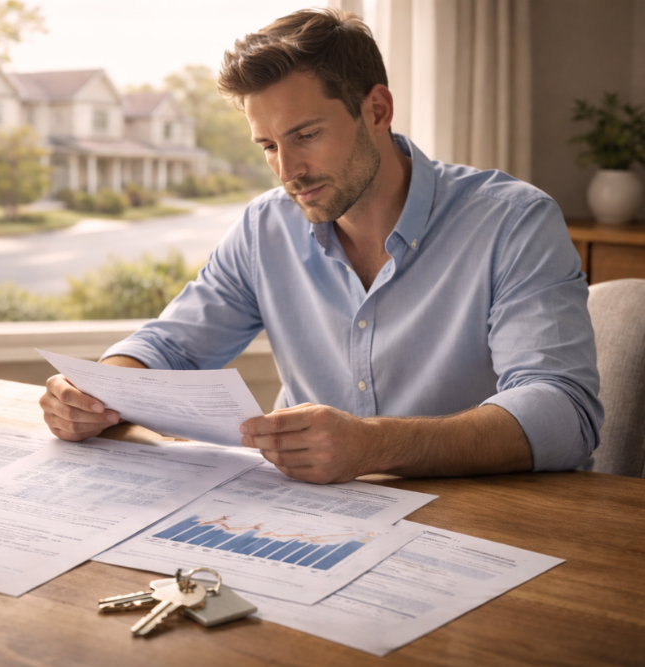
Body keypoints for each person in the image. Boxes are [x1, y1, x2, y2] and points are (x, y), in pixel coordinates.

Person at [39, 8, 602, 484]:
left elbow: (562, 412)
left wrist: (375, 446)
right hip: (303, 519)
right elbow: (173, 348)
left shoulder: (513, 221)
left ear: (376, 111)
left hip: (478, 521)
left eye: (306, 135)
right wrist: (94, 392)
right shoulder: (266, 227)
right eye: (268, 146)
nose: (289, 171)